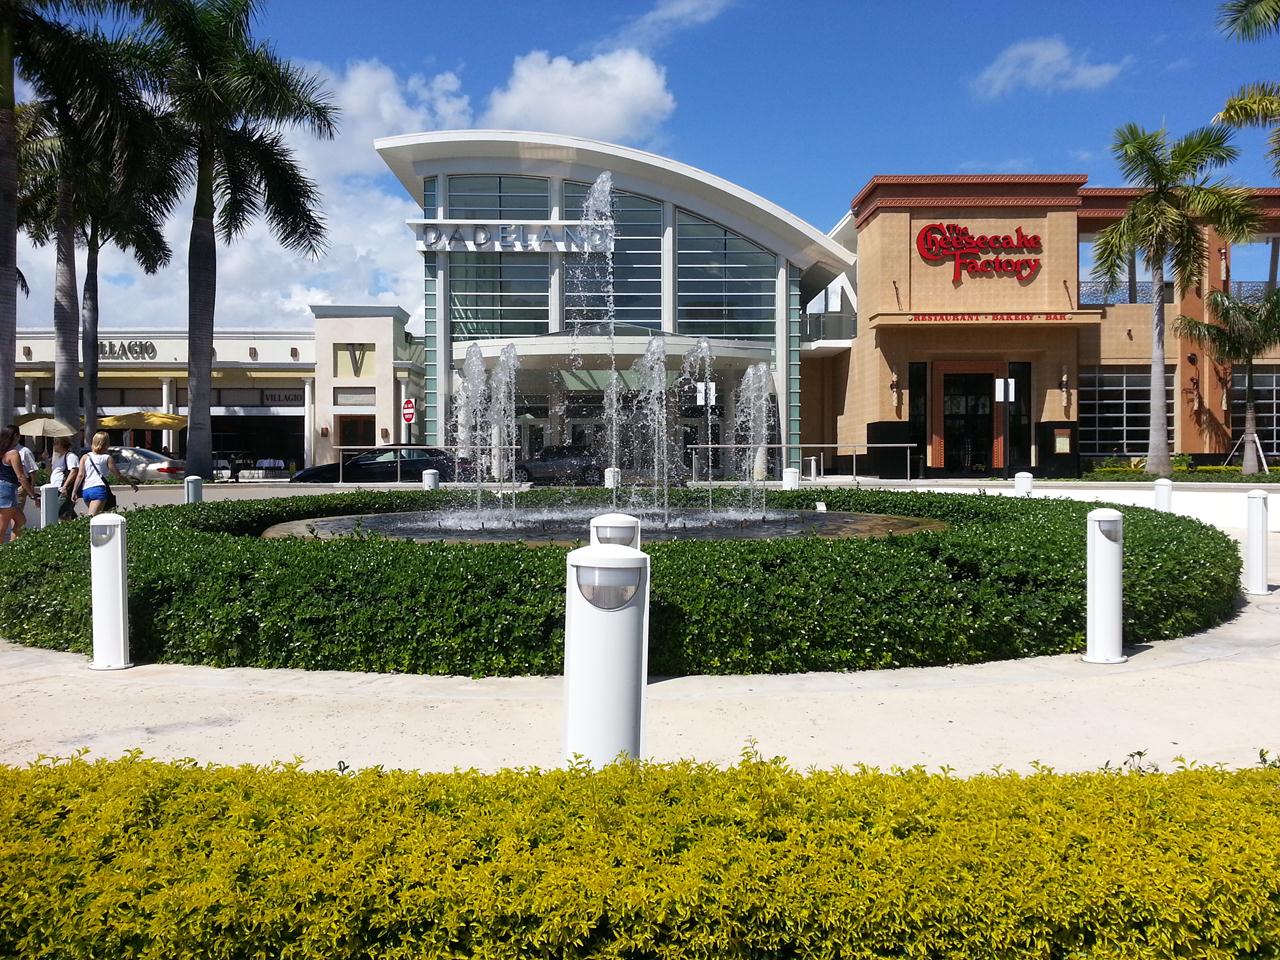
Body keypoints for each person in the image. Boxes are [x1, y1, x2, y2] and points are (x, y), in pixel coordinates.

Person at [74, 431, 137, 516]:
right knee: (92, 518)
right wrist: (131, 484)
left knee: (98, 516)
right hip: (98, 489)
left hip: (86, 490)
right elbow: (118, 475)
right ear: (105, 443)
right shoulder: (107, 458)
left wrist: (74, 491)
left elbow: (80, 475)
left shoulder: (85, 457)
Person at [0, 425, 40, 541]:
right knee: (3, 527)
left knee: (21, 521)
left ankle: (13, 548)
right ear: (15, 437)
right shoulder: (13, 453)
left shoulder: (3, 452)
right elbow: (21, 476)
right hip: (7, 489)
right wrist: (32, 495)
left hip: (5, 489)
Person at [48, 436, 80, 521]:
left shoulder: (70, 456)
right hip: (58, 489)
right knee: (66, 513)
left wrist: (65, 486)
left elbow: (74, 471)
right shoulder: (58, 458)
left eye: (56, 443)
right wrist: (46, 460)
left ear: (62, 444)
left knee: (59, 512)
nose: (54, 445)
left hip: (64, 489)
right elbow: (52, 472)